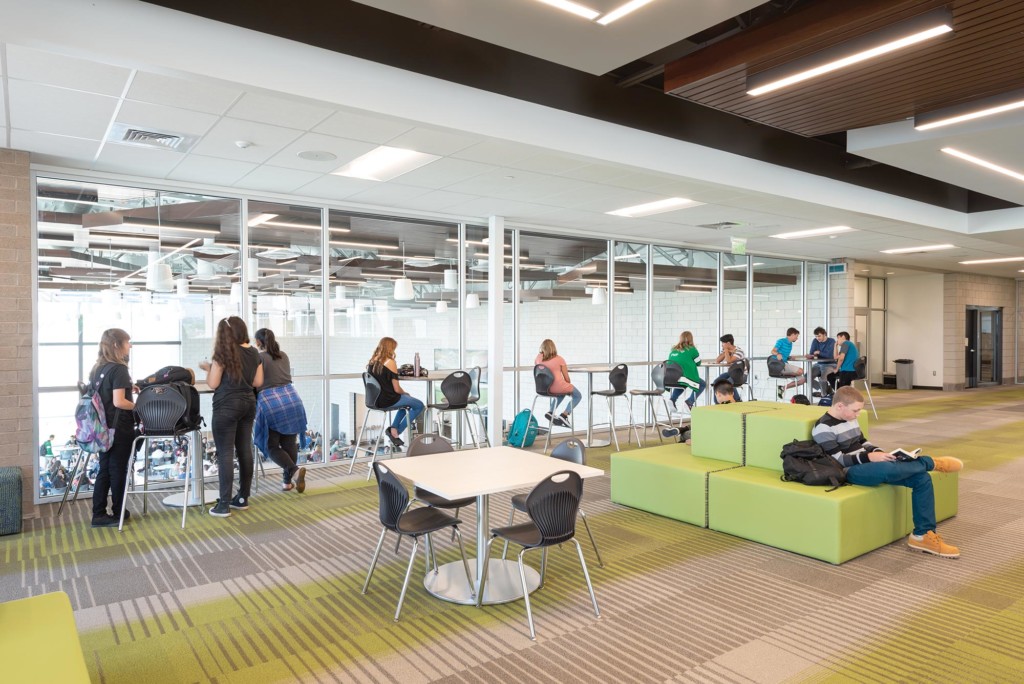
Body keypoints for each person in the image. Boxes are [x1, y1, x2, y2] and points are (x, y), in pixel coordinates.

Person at [811, 386, 964, 558]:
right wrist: (870, 457)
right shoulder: (823, 428)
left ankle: (922, 536)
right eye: (855, 410)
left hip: (869, 463)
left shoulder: (849, 418)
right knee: (887, 467)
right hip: (850, 471)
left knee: (922, 478)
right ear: (840, 406)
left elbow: (862, 442)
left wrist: (881, 453)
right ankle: (931, 462)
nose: (857, 415)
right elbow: (839, 460)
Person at [200, 316, 264, 518]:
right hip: (248, 405)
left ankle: (224, 504)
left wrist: (208, 368)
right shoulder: (254, 352)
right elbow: (258, 381)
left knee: (225, 453)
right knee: (245, 449)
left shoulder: (223, 354)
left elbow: (213, 383)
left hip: (226, 406)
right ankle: (242, 498)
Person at [88, 328, 137, 528]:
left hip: (103, 427)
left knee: (105, 469)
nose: (130, 346)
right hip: (119, 427)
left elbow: (106, 394)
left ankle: (99, 513)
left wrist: (128, 388)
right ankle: (118, 510)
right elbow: (119, 402)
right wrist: (138, 406)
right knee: (118, 470)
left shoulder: (98, 368)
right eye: (128, 342)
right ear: (117, 345)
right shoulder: (119, 369)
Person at [252, 328, 309, 493]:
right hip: (292, 399)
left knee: (270, 446)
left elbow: (256, 383)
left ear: (257, 342)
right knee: (289, 443)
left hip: (272, 403)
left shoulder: (259, 358)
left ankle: (294, 471)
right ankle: (287, 482)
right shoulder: (283, 355)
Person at [366, 337, 424, 450]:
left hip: (374, 400)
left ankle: (393, 430)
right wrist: (405, 393)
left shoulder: (372, 362)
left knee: (406, 404)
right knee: (419, 405)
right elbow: (397, 389)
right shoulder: (390, 362)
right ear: (390, 348)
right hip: (387, 400)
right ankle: (396, 431)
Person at [534, 339, 581, 428]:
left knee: (561, 393)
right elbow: (567, 379)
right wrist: (567, 388)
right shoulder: (559, 359)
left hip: (543, 388)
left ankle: (551, 412)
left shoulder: (538, 358)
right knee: (578, 395)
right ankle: (564, 415)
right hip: (557, 387)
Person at [667, 331, 704, 411]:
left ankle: (672, 399)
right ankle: (689, 402)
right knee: (702, 384)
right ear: (691, 339)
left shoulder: (673, 349)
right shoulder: (692, 349)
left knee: (683, 382)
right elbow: (698, 362)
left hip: (671, 378)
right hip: (682, 377)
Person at [770, 327, 805, 399]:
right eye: (796, 336)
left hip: (784, 364)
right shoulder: (781, 341)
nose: (797, 338)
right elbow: (773, 351)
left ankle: (782, 388)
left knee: (802, 380)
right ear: (792, 334)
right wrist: (777, 354)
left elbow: (784, 355)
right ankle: (783, 373)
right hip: (778, 365)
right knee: (801, 371)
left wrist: (790, 357)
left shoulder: (790, 344)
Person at [712, 334, 744, 403]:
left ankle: (737, 400)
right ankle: (717, 402)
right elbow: (717, 360)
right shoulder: (725, 350)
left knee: (727, 383)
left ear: (728, 343)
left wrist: (726, 350)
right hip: (730, 373)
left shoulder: (739, 351)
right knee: (716, 382)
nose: (722, 345)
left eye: (723, 343)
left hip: (739, 374)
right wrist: (726, 351)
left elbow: (729, 361)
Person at [808, 327, 837, 397]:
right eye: (816, 336)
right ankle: (826, 389)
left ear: (824, 334)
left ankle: (823, 396)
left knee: (822, 379)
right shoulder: (815, 341)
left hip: (830, 364)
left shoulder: (831, 341)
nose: (817, 338)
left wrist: (818, 352)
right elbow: (812, 352)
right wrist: (816, 353)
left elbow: (830, 355)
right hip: (819, 364)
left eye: (819, 336)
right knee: (807, 377)